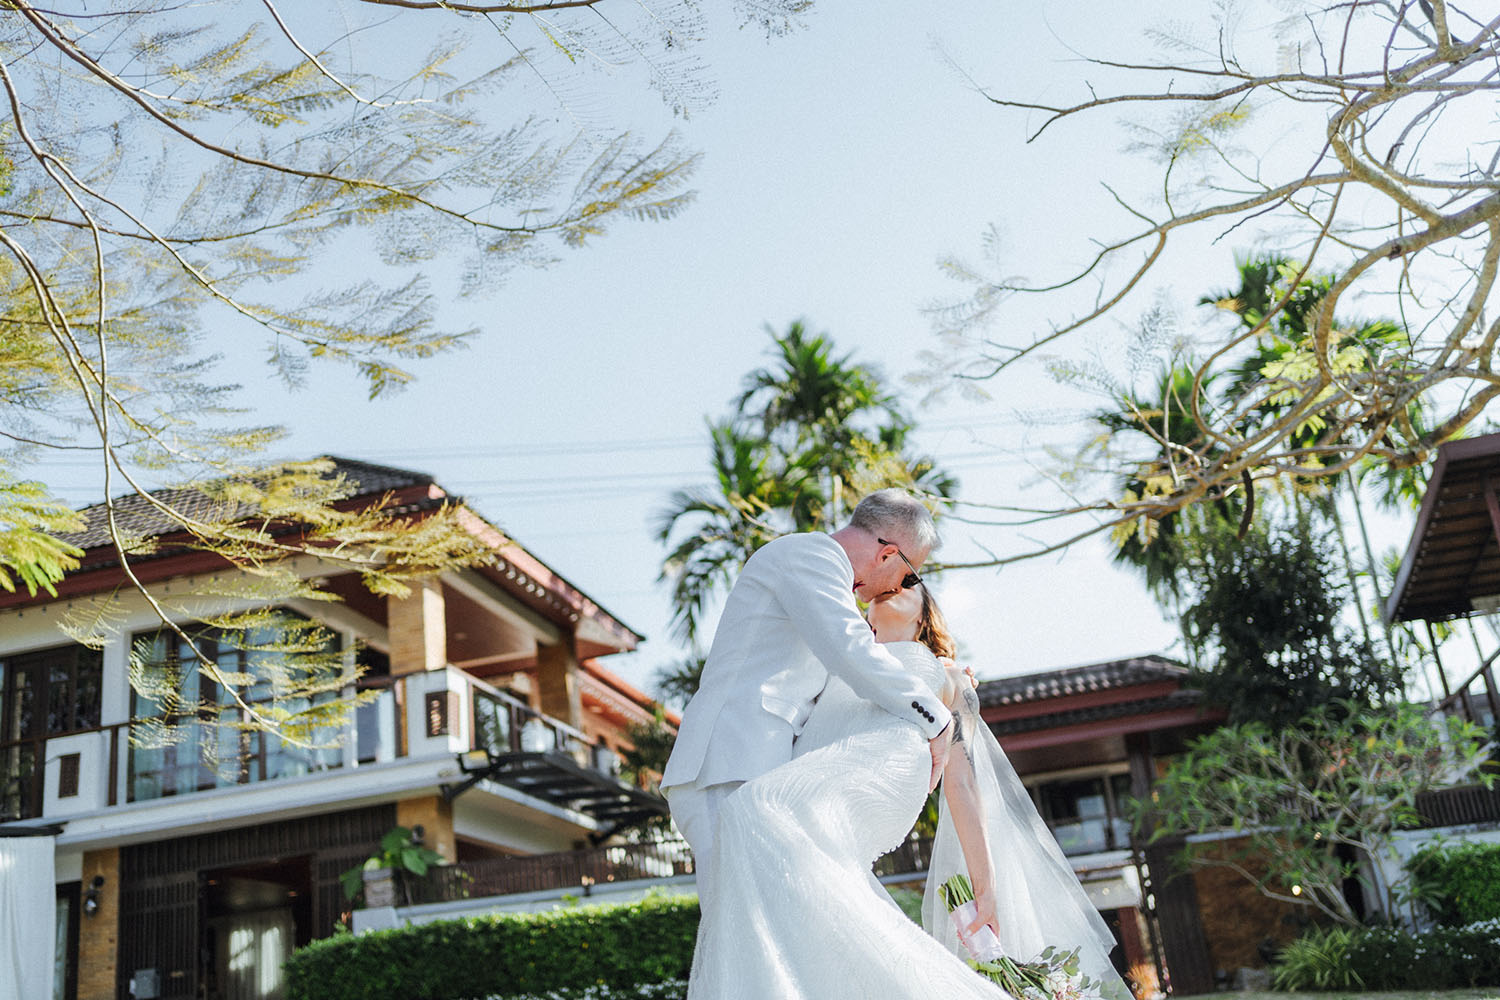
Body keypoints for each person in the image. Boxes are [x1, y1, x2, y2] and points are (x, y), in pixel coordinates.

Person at [686, 584, 1130, 1000]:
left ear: (924, 618)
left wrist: (986, 889)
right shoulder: (839, 664)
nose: (896, 585)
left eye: (909, 581)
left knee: (753, 809)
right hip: (820, 789)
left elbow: (960, 784)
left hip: (881, 774)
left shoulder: (944, 670)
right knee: (791, 891)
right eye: (885, 584)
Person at [660, 489, 954, 901]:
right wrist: (936, 717)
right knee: (741, 918)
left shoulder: (825, 581)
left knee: (766, 917)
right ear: (888, 554)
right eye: (910, 576)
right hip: (728, 764)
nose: (901, 587)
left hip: (756, 768)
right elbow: (850, 653)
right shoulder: (811, 556)